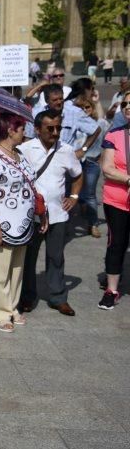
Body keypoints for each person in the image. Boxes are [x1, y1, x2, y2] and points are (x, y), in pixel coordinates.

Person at [0, 113, 45, 332]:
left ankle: (12, 307)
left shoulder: (19, 154)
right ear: (10, 130)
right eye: (21, 129)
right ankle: (0, 312)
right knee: (0, 270)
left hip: (23, 223)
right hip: (3, 223)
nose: (24, 133)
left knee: (17, 268)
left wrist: (40, 215)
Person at [18, 109, 81, 316]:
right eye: (50, 128)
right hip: (32, 216)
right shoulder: (25, 149)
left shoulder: (67, 150)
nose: (55, 132)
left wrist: (74, 197)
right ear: (37, 129)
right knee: (29, 259)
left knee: (56, 257)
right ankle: (27, 297)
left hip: (58, 215)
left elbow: (78, 175)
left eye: (58, 128)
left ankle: (58, 298)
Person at [98, 91, 130, 310]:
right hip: (117, 200)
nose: (127, 107)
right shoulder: (114, 135)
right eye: (125, 104)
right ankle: (112, 290)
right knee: (116, 243)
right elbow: (107, 169)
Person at [77, 98, 110, 237]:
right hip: (76, 162)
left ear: (92, 108)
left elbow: (108, 139)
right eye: (82, 108)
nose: (85, 110)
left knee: (90, 194)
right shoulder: (76, 123)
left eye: (88, 107)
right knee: (72, 193)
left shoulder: (100, 123)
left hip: (92, 162)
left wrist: (97, 101)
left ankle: (93, 224)